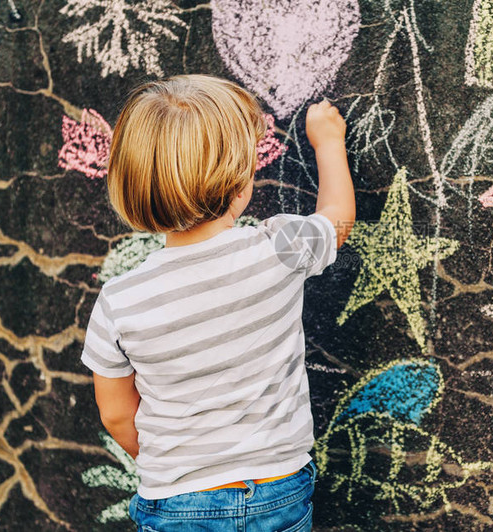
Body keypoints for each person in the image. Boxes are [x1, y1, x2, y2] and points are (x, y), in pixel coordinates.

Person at [80, 75, 354, 531]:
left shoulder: (118, 301)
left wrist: (170, 465)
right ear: (239, 185)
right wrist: (327, 140)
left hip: (178, 501)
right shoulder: (278, 250)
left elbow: (115, 412)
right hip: (278, 487)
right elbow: (336, 220)